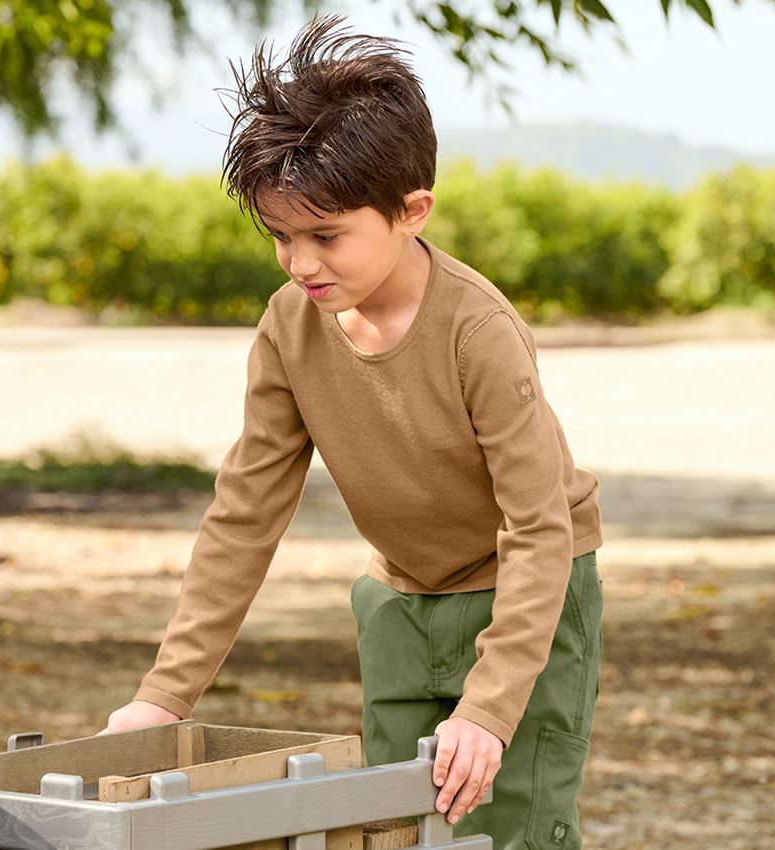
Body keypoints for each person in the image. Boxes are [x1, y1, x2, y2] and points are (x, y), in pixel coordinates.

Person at [101, 14, 604, 850]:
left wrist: (488, 708)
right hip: (397, 601)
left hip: (530, 597)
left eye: (326, 236)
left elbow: (538, 526)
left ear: (411, 211)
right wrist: (165, 695)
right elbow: (244, 514)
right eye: (280, 236)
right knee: (390, 828)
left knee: (510, 828)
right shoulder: (288, 327)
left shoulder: (478, 332)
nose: (301, 263)